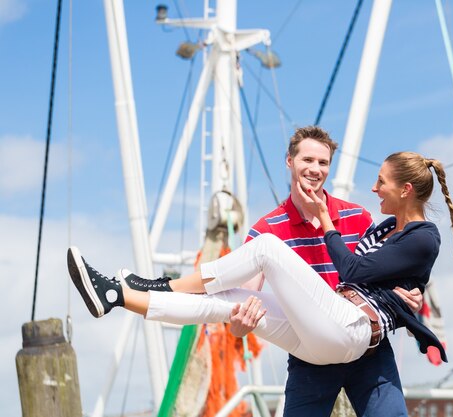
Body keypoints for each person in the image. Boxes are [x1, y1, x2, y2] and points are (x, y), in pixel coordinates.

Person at [72, 127, 434, 416]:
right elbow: (243, 300)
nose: (315, 169)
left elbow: (382, 273)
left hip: (364, 347)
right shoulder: (267, 227)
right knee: (227, 301)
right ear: (289, 162)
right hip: (309, 351)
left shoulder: (359, 217)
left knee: (264, 253)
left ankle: (159, 286)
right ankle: (118, 296)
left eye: (323, 162)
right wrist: (240, 326)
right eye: (307, 159)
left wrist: (410, 296)